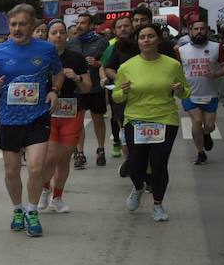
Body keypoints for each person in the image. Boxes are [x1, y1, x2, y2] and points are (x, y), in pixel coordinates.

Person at [0, 4, 64, 238]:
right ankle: (17, 209)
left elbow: (57, 71)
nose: (17, 28)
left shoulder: (46, 49)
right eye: (13, 24)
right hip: (8, 119)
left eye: (22, 24)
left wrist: (54, 90)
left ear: (33, 25)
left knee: (37, 167)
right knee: (11, 170)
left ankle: (33, 210)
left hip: (37, 116)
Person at [113, 22, 189, 221]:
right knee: (136, 164)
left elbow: (185, 92)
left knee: (159, 164)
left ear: (159, 39)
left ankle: (158, 204)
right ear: (137, 42)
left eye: (150, 36)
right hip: (136, 119)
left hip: (165, 119)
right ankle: (138, 188)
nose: (146, 40)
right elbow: (117, 97)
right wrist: (124, 91)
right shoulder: (127, 67)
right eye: (142, 37)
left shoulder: (172, 65)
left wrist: (180, 90)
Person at [37, 19, 91, 213]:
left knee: (63, 159)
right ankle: (44, 189)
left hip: (71, 113)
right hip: (47, 114)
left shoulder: (76, 58)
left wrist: (76, 78)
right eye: (54, 32)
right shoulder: (40, 58)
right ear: (47, 36)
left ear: (67, 35)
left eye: (61, 32)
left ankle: (57, 197)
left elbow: (87, 87)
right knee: (50, 157)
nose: (58, 36)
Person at [179, 18, 224, 165]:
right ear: (190, 31)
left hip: (210, 94)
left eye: (202, 29)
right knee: (197, 121)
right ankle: (200, 152)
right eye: (196, 29)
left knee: (209, 125)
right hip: (190, 93)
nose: (199, 32)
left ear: (207, 30)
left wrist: (216, 74)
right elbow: (175, 70)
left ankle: (206, 134)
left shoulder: (216, 47)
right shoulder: (181, 50)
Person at [65, 13, 110, 168]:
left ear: (91, 25)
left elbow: (108, 62)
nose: (79, 25)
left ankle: (101, 149)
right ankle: (79, 153)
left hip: (96, 86)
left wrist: (97, 63)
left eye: (83, 23)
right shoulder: (71, 43)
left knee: (98, 118)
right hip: (78, 88)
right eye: (77, 23)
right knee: (78, 121)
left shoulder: (102, 42)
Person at [101, 16, 137, 158]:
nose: (123, 29)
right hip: (123, 94)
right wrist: (119, 79)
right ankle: (130, 161)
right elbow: (108, 67)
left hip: (145, 96)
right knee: (124, 127)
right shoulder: (114, 47)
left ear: (132, 27)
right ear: (115, 31)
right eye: (119, 27)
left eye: (126, 26)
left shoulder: (142, 43)